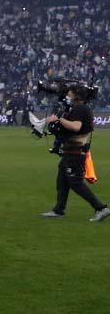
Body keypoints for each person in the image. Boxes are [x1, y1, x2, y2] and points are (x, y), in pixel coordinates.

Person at [40, 86, 110, 221]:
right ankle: (58, 210)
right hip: (71, 151)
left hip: (76, 152)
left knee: (75, 183)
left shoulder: (80, 109)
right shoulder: (80, 109)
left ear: (77, 96)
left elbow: (76, 126)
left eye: (69, 94)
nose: (67, 96)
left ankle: (100, 208)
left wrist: (59, 119)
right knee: (62, 180)